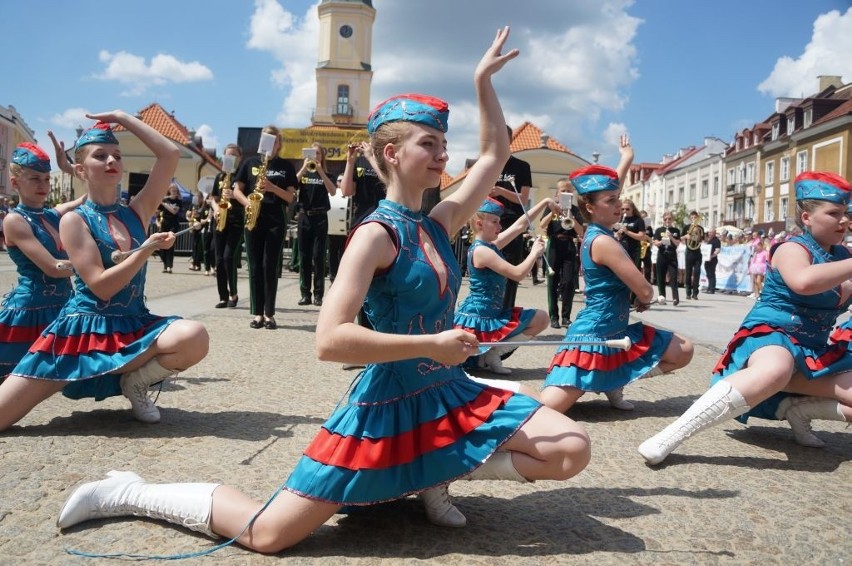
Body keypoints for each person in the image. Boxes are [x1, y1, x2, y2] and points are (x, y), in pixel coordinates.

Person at [57, 29, 591, 552]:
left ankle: (434, 469)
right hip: (387, 401)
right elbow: (330, 339)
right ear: (389, 153)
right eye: (429, 145)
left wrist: (483, 83)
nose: (442, 157)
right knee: (268, 535)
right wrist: (431, 344)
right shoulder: (374, 236)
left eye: (444, 147)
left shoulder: (439, 221)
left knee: (570, 448)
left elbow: (495, 155)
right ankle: (130, 490)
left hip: (446, 391)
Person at [1, 112, 209, 430]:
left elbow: (170, 154)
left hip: (131, 325)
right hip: (80, 334)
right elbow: (101, 287)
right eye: (101, 156)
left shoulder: (137, 211)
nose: (112, 160)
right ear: (81, 170)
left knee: (194, 336)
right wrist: (146, 250)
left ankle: (135, 383)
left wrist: (123, 118)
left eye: (117, 156)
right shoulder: (74, 220)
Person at [639, 171, 852, 464]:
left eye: (846, 213)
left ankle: (799, 409)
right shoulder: (792, 248)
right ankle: (670, 435)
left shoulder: (841, 255)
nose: (843, 220)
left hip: (812, 351)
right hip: (772, 335)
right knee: (777, 368)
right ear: (806, 218)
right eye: (834, 213)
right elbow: (804, 281)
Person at [541, 164, 694, 414]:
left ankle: (614, 380)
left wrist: (626, 159)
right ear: (590, 207)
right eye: (611, 200)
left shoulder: (598, 232)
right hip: (593, 337)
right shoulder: (602, 240)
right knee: (546, 409)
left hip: (616, 333)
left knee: (683, 349)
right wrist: (640, 294)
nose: (618, 205)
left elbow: (637, 290)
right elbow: (647, 292)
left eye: (618, 199)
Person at [0, 140, 86, 379]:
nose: (44, 185)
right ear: (15, 183)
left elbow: (94, 195)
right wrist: (95, 267)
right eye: (35, 178)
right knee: (17, 379)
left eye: (47, 179)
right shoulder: (15, 221)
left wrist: (68, 167)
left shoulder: (50, 215)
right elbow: (53, 268)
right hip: (30, 312)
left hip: (63, 305)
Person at [454, 196, 556, 375]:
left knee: (541, 319)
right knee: (459, 363)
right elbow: (517, 274)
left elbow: (519, 226)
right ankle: (484, 356)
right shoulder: (482, 251)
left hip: (494, 313)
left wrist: (544, 201)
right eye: (494, 222)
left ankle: (494, 354)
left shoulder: (490, 245)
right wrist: (533, 254)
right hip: (479, 317)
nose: (499, 227)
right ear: (479, 224)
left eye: (499, 222)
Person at [234, 126, 297, 330]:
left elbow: (290, 197)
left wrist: (272, 187)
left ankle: (270, 313)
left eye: (275, 140)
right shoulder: (249, 163)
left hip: (275, 218)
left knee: (269, 266)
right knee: (254, 266)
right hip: (254, 216)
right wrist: (248, 203)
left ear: (279, 143)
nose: (271, 143)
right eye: (267, 139)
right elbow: (237, 190)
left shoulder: (285, 166)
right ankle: (257, 314)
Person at [341, 135, 386, 332]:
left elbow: (389, 184)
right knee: (360, 282)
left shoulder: (385, 160)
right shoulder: (358, 161)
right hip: (361, 222)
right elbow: (346, 191)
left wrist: (371, 158)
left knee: (382, 284)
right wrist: (350, 161)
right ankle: (363, 335)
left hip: (385, 223)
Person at [491, 125, 532, 310]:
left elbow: (523, 199)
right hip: (489, 223)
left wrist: (500, 190)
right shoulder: (487, 164)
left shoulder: (522, 167)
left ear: (509, 139)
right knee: (489, 270)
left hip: (512, 222)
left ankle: (506, 312)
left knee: (510, 270)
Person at [295, 142, 336, 307]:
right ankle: (305, 294)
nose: (315, 156)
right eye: (313, 153)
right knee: (304, 256)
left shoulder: (326, 174)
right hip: (304, 217)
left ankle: (319, 295)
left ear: (322, 156)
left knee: (318, 256)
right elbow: (292, 184)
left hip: (320, 217)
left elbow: (333, 191)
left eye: (318, 153)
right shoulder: (303, 174)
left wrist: (320, 171)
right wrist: (304, 168)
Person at [539, 178, 584, 328]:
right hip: (554, 244)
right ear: (557, 194)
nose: (566, 193)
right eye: (563, 191)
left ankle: (566, 316)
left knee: (569, 281)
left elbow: (580, 232)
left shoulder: (575, 209)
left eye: (569, 191)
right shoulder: (551, 207)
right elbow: (542, 225)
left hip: (570, 244)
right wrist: (553, 212)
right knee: (552, 281)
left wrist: (571, 216)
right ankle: (553, 316)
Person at [209, 144, 244, 309]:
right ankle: (223, 296)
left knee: (229, 257)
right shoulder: (220, 177)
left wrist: (235, 196)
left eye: (234, 155)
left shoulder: (242, 177)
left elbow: (249, 197)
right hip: (220, 220)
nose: (231, 158)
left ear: (239, 158)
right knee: (219, 260)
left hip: (236, 220)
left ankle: (233, 293)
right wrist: (216, 209)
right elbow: (213, 198)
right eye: (228, 155)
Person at [653, 211, 682, 305]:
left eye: (669, 219)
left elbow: (677, 243)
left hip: (672, 255)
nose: (667, 221)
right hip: (662, 255)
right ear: (663, 220)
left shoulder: (676, 230)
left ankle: (675, 298)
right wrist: (663, 240)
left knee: (673, 277)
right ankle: (662, 297)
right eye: (666, 219)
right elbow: (656, 243)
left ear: (672, 220)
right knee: (660, 277)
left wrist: (671, 237)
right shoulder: (659, 230)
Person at [326, 174, 347, 283]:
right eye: (339, 180)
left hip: (344, 231)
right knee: (332, 254)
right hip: (332, 229)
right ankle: (333, 276)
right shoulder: (331, 193)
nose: (341, 182)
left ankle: (342, 276)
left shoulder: (349, 194)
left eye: (343, 180)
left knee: (343, 253)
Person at [157, 183, 182, 273]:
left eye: (176, 191)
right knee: (162, 245)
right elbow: (157, 212)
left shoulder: (178, 201)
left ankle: (169, 266)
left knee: (170, 244)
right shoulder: (164, 200)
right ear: (169, 191)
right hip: (164, 224)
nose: (174, 192)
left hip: (173, 224)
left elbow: (174, 211)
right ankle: (164, 265)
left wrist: (164, 204)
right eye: (173, 190)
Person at [615, 198, 645, 269]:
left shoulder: (638, 220)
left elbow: (642, 236)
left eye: (627, 209)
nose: (624, 211)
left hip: (634, 250)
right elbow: (616, 234)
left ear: (632, 209)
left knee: (633, 270)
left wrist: (627, 232)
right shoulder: (621, 219)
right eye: (622, 209)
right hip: (622, 248)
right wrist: (618, 233)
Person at [682, 210, 705, 300]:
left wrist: (698, 232)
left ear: (697, 218)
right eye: (692, 218)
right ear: (690, 218)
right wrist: (687, 236)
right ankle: (688, 292)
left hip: (697, 252)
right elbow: (680, 238)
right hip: (689, 252)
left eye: (695, 218)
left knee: (697, 272)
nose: (693, 219)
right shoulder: (686, 227)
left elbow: (700, 240)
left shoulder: (700, 228)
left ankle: (695, 293)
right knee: (688, 273)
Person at [188, 191, 212, 273]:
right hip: (194, 226)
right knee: (194, 246)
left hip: (202, 227)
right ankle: (194, 263)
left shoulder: (204, 206)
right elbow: (188, 215)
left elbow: (202, 215)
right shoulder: (193, 205)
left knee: (199, 247)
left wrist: (198, 215)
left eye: (198, 197)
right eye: (196, 197)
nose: (196, 198)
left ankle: (197, 264)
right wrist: (190, 217)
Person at [704, 227, 721, 293]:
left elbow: (718, 250)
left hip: (713, 259)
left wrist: (712, 256)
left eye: (711, 232)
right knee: (708, 274)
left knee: (712, 274)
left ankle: (712, 289)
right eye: (709, 232)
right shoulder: (709, 240)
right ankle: (709, 287)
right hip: (707, 259)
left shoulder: (716, 240)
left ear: (714, 233)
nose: (709, 233)